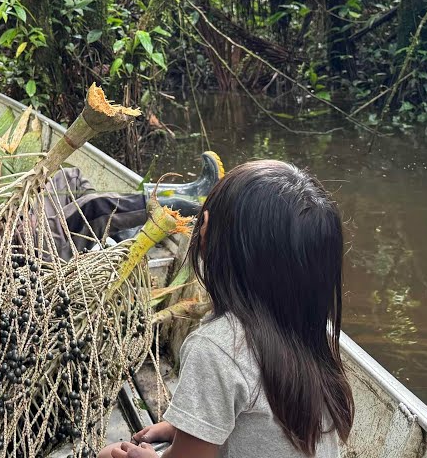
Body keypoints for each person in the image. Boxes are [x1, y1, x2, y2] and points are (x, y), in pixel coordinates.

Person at [97, 160, 354, 458]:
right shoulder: (306, 335)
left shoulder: (217, 347)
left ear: (206, 234)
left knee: (108, 455)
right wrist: (184, 427)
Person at [0, 113, 209, 259]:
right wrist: (15, 202)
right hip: (31, 247)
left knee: (70, 177)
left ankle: (114, 229)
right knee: (92, 208)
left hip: (26, 224)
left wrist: (25, 196)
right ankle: (183, 203)